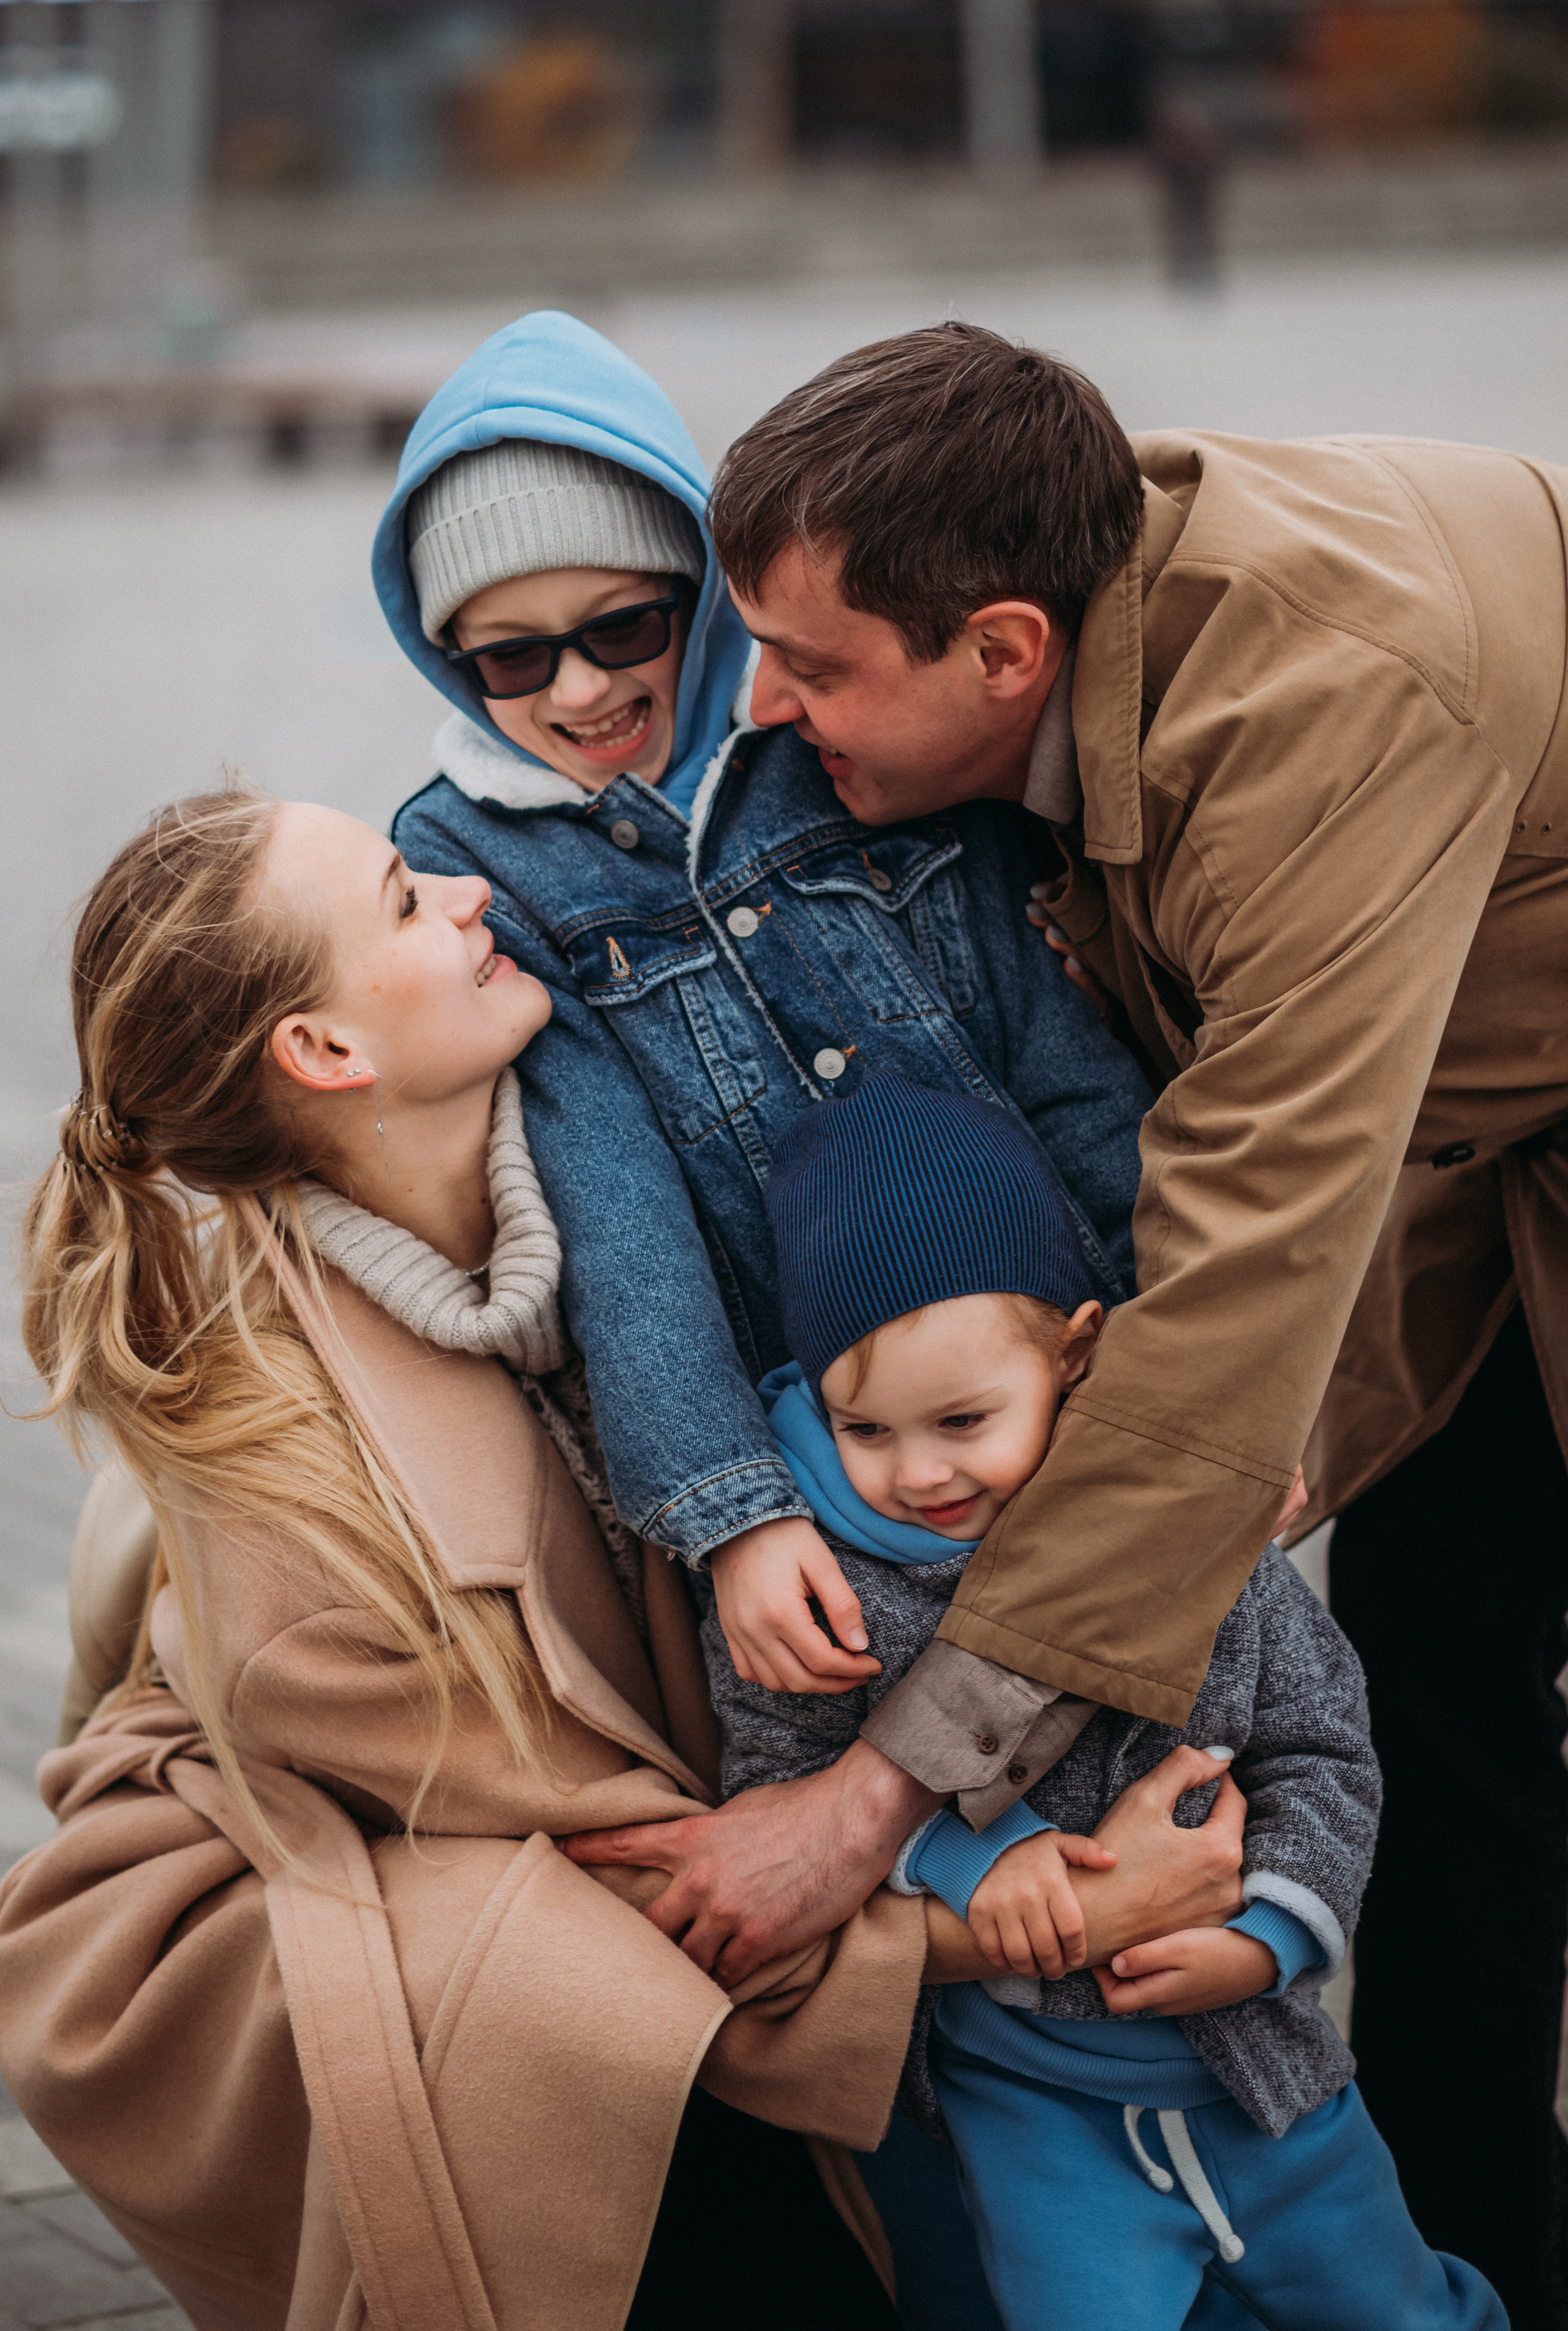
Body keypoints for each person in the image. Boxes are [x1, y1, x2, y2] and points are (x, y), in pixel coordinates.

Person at [571, 319, 1568, 2327]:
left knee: (1461, 1682)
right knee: (1447, 1683)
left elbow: (1226, 1299)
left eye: (814, 664)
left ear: (1007, 650)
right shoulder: (1051, 583)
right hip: (1460, 1125)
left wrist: (869, 1808)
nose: (754, 708)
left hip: (1484, 1108)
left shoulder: (1321, 719)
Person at [0, 784, 992, 2330]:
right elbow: (666, 1896)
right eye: (406, 899)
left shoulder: (622, 1156)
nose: (470, 899)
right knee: (635, 2139)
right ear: (328, 1057)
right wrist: (1032, 1920)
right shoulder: (303, 1500)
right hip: (460, 1941)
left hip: (733, 1863)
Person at [704, 1065, 1502, 2330]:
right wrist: (979, 1860)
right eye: (862, 1430)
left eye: (963, 1419)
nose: (918, 1474)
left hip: (1265, 2090)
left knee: (1396, 2310)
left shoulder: (1193, 1536)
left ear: (1075, 1354)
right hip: (1033, 2123)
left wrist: (1268, 1938)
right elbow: (780, 1795)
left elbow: (1321, 1750)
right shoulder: (814, 1593)